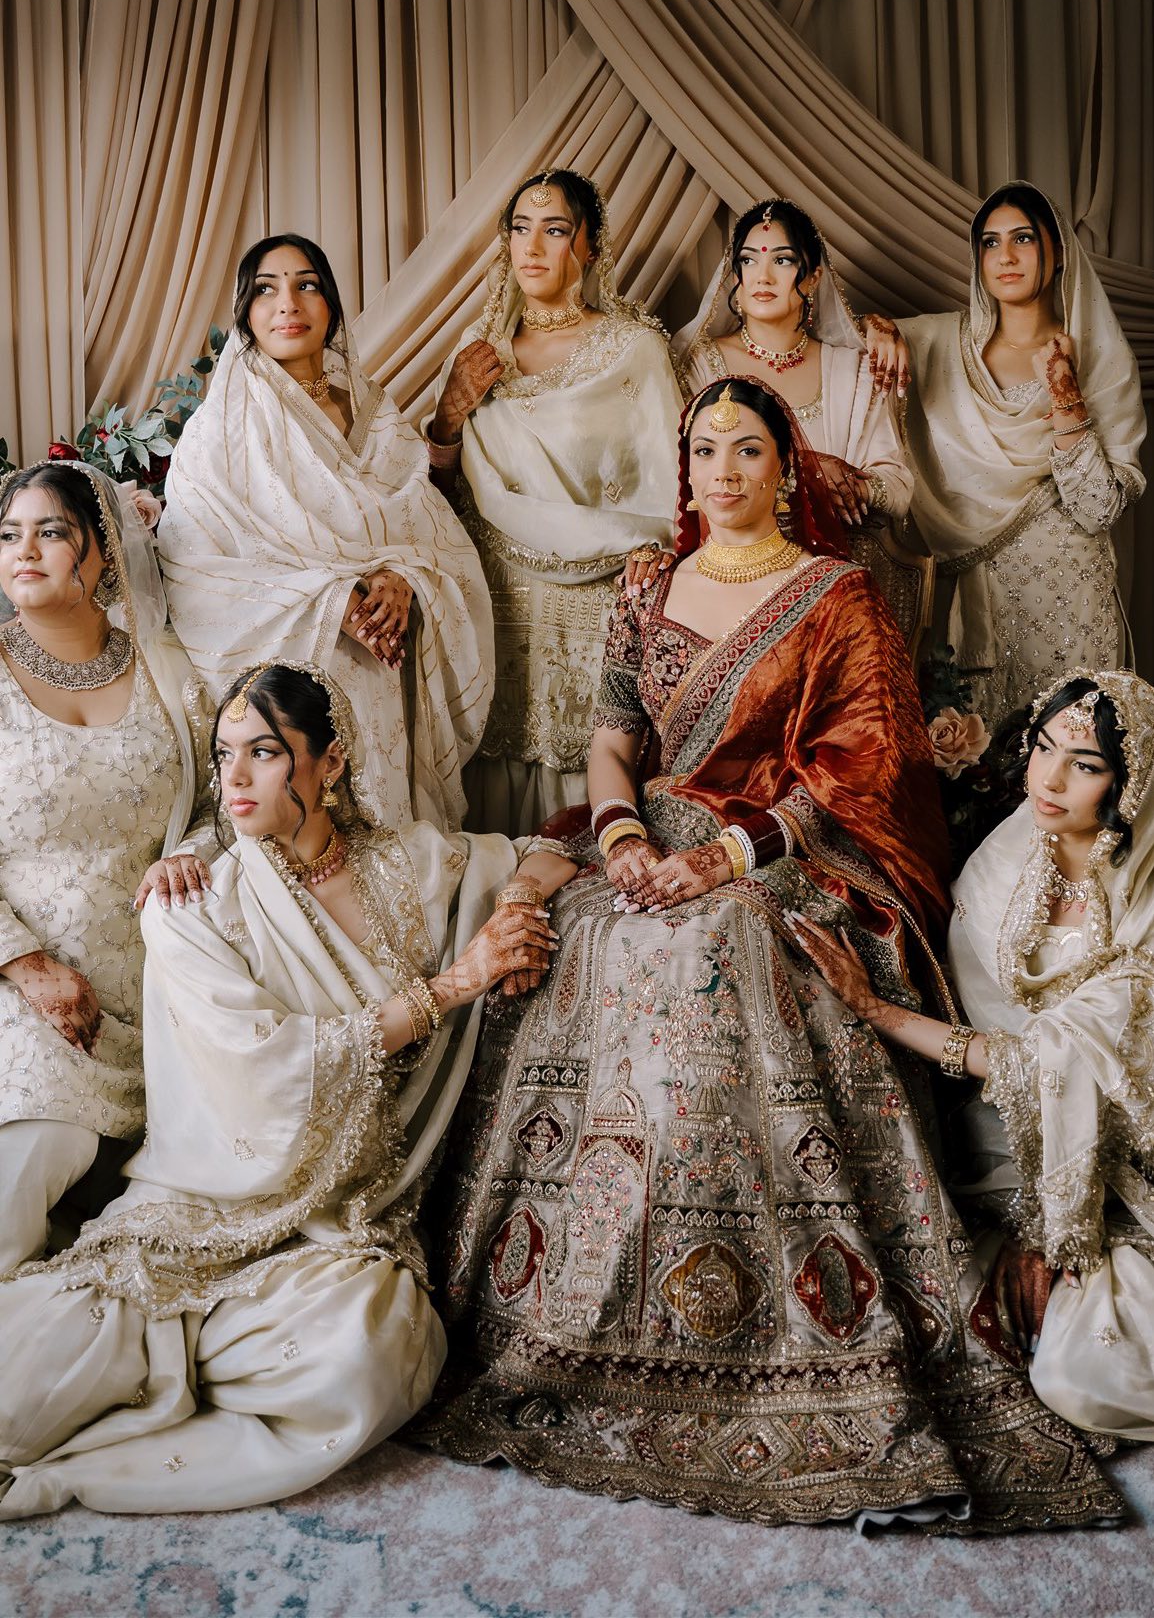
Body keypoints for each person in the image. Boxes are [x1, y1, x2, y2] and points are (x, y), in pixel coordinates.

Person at [410, 382, 1119, 1530]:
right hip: (646, 836)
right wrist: (626, 834)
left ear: (784, 466)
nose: (722, 466)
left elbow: (870, 764)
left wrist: (731, 855)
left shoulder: (836, 594)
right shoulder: (645, 582)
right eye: (703, 447)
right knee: (569, 933)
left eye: (748, 447)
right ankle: (555, 1309)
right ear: (682, 463)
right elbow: (608, 742)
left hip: (789, 854)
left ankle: (766, 1322)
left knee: (725, 946)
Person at [0, 663, 554, 1517]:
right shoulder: (190, 906)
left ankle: (84, 1468)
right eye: (224, 756)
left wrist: (517, 896)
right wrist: (453, 985)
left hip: (335, 1230)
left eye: (265, 752)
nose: (235, 779)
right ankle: (147, 1365)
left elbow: (554, 845)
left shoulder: (407, 864)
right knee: (16, 1390)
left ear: (328, 763)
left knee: (377, 1351)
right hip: (199, 1218)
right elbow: (272, 1071)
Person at [792, 668, 1154, 1444]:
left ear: (1127, 784)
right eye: (1044, 748)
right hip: (1009, 1144)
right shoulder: (1008, 856)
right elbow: (1004, 1037)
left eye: (1086, 766)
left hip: (1127, 1159)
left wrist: (877, 1010)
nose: (1050, 779)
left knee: (1083, 1376)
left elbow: (1069, 1059)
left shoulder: (1144, 891)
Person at [158, 234, 493, 832]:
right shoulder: (221, 428)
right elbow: (194, 565)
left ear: (331, 307)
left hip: (391, 651)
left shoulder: (375, 411)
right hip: (295, 655)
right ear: (246, 313)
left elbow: (429, 532)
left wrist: (404, 580)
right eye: (266, 290)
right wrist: (333, 602)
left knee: (393, 848)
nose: (288, 303)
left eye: (306, 285)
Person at [0, 461, 209, 1272]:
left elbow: (223, 804)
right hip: (26, 996)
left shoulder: (169, 674)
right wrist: (26, 964)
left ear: (104, 554)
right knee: (31, 1156)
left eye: (52, 531)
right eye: (10, 534)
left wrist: (186, 856)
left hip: (158, 998)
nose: (26, 551)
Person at [427, 170, 682, 835]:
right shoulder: (476, 354)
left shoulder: (633, 352)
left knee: (588, 780)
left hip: (598, 605)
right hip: (501, 603)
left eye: (555, 229)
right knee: (494, 777)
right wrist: (449, 416)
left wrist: (652, 554)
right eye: (519, 229)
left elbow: (671, 490)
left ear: (590, 247)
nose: (532, 247)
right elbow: (436, 499)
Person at [878, 184, 1145, 729]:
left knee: (1071, 757)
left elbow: (1098, 508)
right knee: (971, 773)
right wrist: (876, 328)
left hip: (1067, 594)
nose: (1005, 256)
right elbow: (834, 343)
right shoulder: (937, 345)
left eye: (1023, 238)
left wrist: (1067, 396)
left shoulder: (1100, 361)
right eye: (990, 242)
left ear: (1057, 250)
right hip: (966, 595)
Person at [676, 197, 912, 527]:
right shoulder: (700, 365)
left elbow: (898, 487)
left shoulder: (855, 371)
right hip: (733, 562)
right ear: (734, 277)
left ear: (814, 277)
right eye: (748, 261)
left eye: (783, 260)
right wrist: (807, 471)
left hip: (839, 560)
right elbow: (684, 473)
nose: (763, 277)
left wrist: (853, 487)